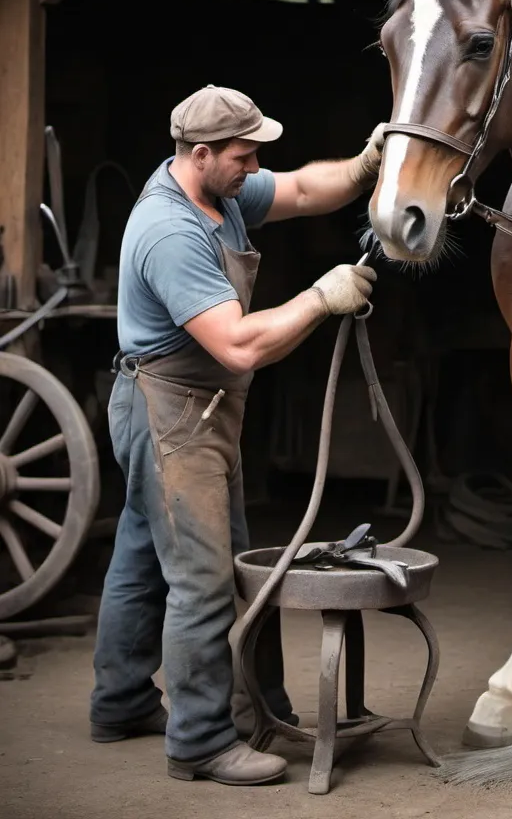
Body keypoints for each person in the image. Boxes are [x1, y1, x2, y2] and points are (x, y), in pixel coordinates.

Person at [89, 84, 384, 786]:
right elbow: (240, 347)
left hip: (194, 407)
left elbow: (310, 189)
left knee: (139, 555)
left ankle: (122, 701)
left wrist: (368, 165)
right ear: (202, 154)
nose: (255, 169)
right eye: (245, 156)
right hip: (173, 411)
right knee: (204, 579)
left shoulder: (221, 194)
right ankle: (198, 741)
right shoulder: (170, 230)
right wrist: (321, 296)